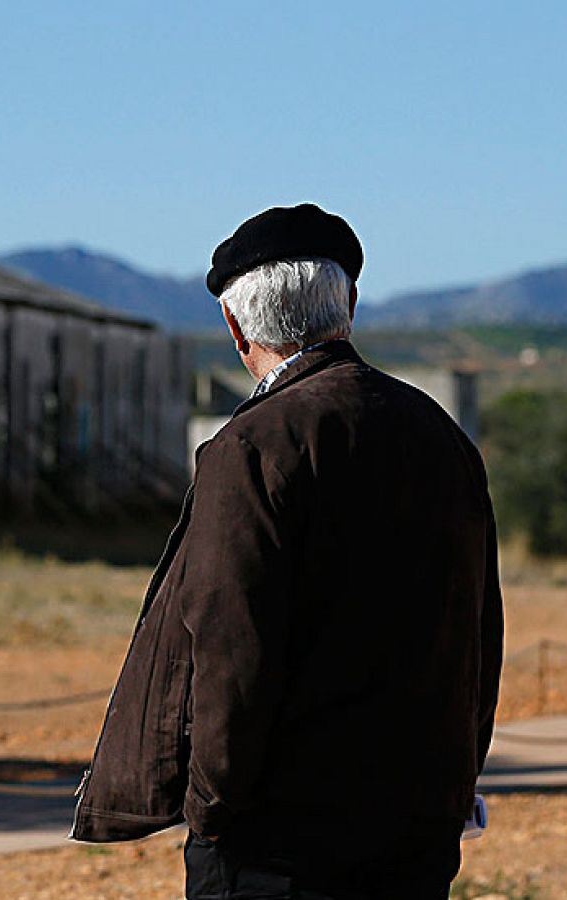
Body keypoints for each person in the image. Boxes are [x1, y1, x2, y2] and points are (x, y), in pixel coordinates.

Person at [71, 203, 504, 899]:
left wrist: (214, 810)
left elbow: (231, 648)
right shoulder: (440, 436)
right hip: (416, 827)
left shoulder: (250, 447)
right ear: (350, 306)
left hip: (279, 845)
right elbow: (479, 629)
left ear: (236, 329)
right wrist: (452, 787)